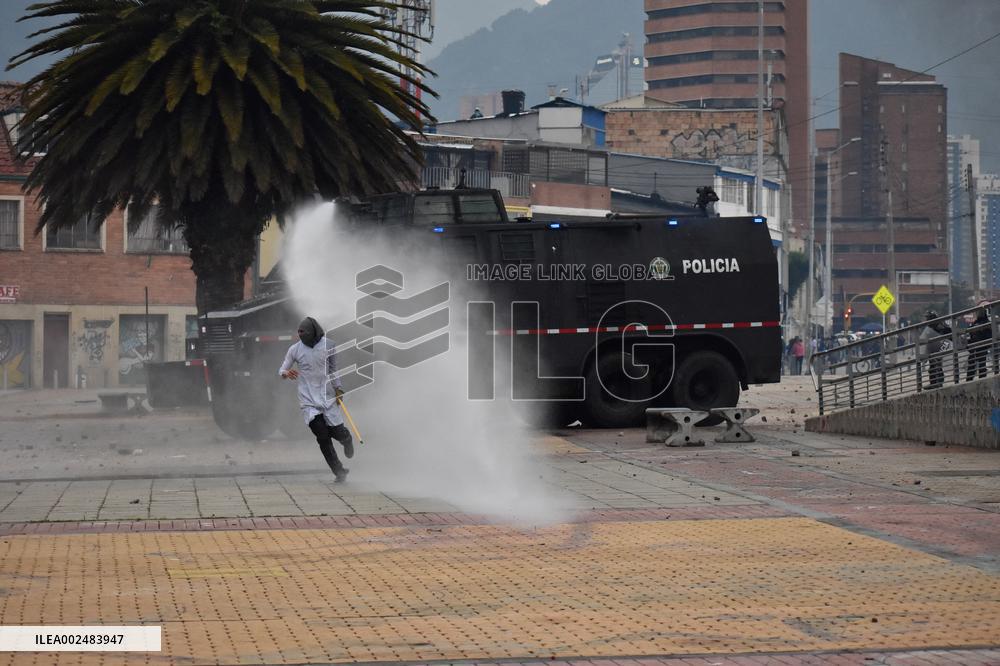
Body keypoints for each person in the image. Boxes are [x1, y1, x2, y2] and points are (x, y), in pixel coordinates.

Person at [279, 316, 353, 483]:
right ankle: (339, 471)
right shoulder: (295, 349)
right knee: (322, 436)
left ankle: (346, 439)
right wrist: (285, 373)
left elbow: (334, 369)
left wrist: (338, 388)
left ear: (314, 334)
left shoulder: (329, 345)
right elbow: (282, 369)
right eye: (299, 334)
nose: (301, 337)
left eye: (304, 334)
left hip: (327, 396)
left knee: (336, 432)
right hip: (308, 400)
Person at [920, 310, 951, 390]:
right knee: (932, 366)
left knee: (936, 365)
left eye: (928, 318)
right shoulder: (932, 326)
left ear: (932, 318)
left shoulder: (939, 325)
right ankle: (934, 383)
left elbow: (945, 335)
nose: (926, 320)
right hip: (934, 348)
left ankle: (938, 383)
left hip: (940, 347)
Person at [965, 307, 991, 381]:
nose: (979, 314)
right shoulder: (975, 323)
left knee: (982, 364)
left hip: (982, 347)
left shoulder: (986, 323)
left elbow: (990, 336)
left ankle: (982, 379)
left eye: (980, 312)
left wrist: (986, 345)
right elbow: (970, 334)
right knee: (971, 364)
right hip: (974, 347)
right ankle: (969, 380)